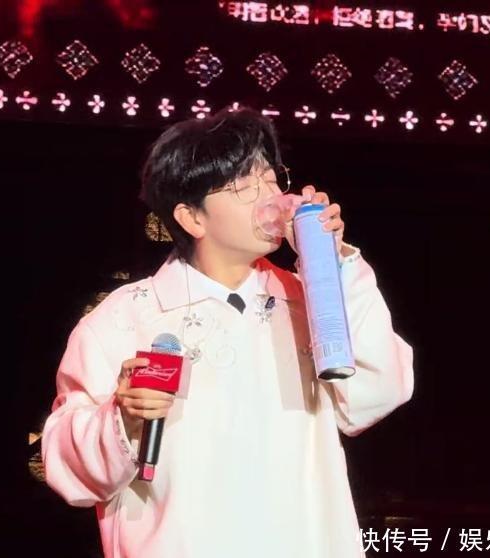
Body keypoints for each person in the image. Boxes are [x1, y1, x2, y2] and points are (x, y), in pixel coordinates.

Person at [41, 107, 414, 558]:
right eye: (244, 184)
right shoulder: (126, 319)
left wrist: (333, 265)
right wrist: (121, 417)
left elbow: (379, 392)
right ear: (192, 218)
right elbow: (66, 467)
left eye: (271, 178)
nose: (270, 195)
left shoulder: (310, 300)